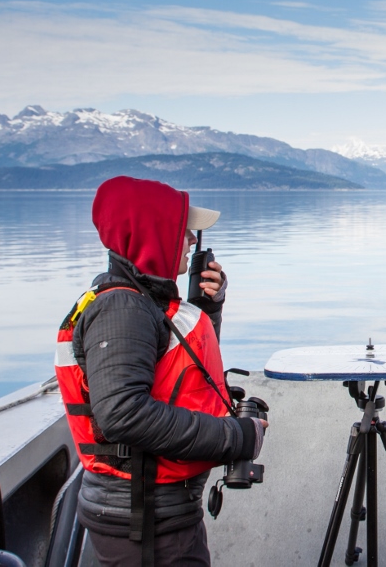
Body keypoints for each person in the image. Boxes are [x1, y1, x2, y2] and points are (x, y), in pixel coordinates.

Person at [55, 176, 267, 566]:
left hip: (158, 514)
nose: (191, 240)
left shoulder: (142, 303)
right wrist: (234, 438)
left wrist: (207, 309)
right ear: (154, 232)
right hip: (142, 522)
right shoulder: (122, 310)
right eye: (183, 230)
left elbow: (180, 374)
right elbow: (123, 414)